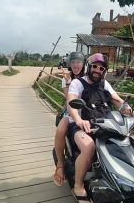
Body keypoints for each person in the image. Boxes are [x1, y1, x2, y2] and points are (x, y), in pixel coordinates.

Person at [67, 53, 134, 202]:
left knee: (127, 142)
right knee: (89, 147)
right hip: (83, 125)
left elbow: (119, 103)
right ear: (89, 67)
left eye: (101, 68)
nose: (97, 70)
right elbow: (72, 102)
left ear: (104, 71)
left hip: (105, 124)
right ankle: (78, 186)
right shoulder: (78, 83)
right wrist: (78, 119)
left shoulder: (104, 84)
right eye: (95, 66)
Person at [53, 51, 85, 186]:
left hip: (88, 112)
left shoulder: (88, 77)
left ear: (83, 64)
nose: (76, 65)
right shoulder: (67, 78)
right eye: (73, 62)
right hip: (72, 112)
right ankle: (60, 164)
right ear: (69, 64)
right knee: (60, 130)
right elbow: (68, 99)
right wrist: (67, 82)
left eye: (78, 62)